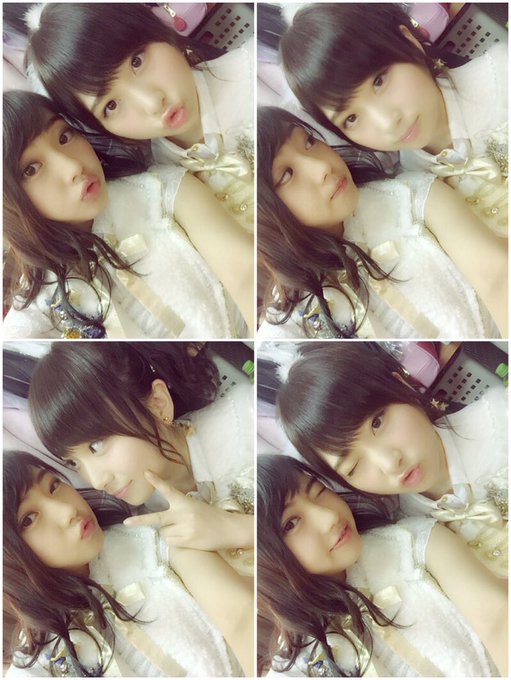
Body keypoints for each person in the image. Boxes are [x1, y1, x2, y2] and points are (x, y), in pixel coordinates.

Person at [3, 90, 253, 338]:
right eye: (31, 169)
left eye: (64, 136)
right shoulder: (40, 299)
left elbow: (246, 276)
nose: (73, 167)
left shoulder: (162, 192)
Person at [257, 107, 507, 338]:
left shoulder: (411, 199)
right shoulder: (289, 316)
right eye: (287, 175)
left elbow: (497, 276)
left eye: (309, 142)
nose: (322, 167)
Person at [257, 454, 507, 677]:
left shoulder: (414, 545)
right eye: (291, 523)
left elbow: (498, 620)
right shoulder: (296, 665)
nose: (329, 517)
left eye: (318, 491)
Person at [3, 451, 249, 677]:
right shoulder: (38, 664)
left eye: (54, 485)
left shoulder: (154, 543)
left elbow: (240, 618)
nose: (68, 511)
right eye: (29, 519)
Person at [274, 341, 508, 577]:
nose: (389, 463)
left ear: (400, 384)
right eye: (353, 467)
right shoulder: (406, 533)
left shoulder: (503, 421)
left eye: (377, 423)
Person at [280, 3, 508, 236]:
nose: (387, 123)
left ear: (409, 41)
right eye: (351, 118)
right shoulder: (410, 187)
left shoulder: (503, 77)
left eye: (379, 82)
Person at [25, 2, 254, 232]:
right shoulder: (158, 184)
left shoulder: (253, 77)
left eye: (137, 61)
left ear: (157, 30)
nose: (152, 103)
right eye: (111, 106)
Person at [28, 342, 254, 574]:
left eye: (96, 445)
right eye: (74, 463)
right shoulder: (146, 527)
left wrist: (235, 529)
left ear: (158, 403)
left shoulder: (249, 422)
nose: (97, 481)